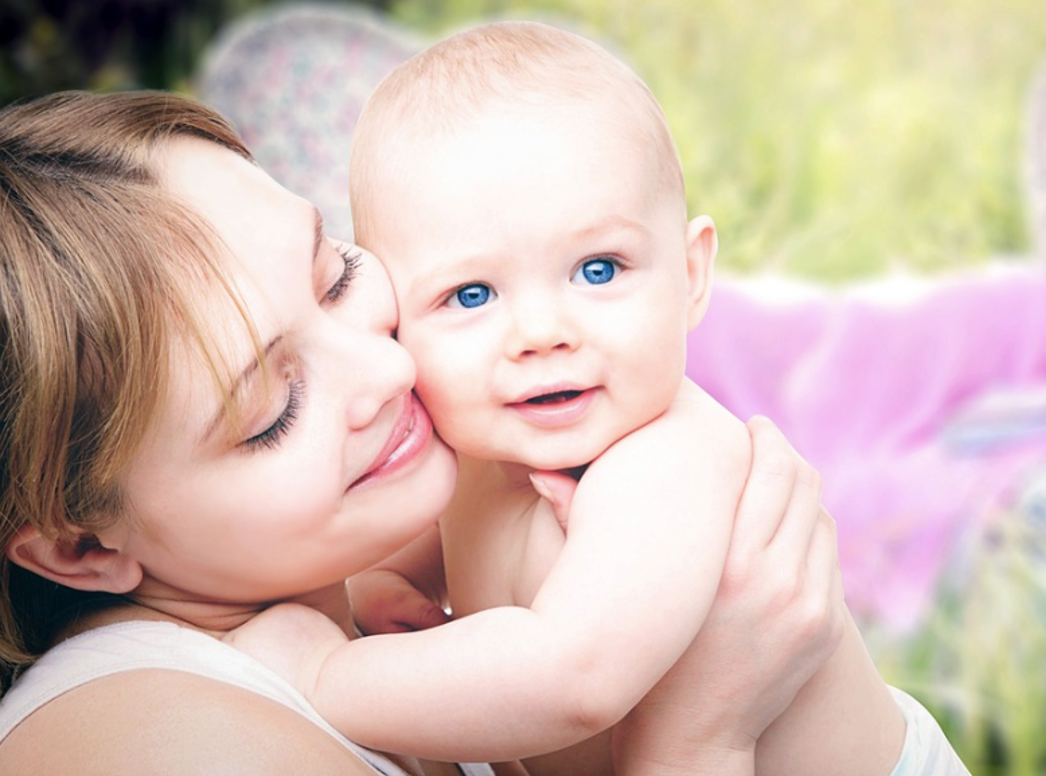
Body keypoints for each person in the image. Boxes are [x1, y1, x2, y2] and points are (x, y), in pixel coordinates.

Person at [0, 88, 849, 776]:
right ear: (80, 548)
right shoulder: (164, 745)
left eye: (335, 275)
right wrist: (697, 740)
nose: (393, 370)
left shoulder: (341, 608)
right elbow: (578, 681)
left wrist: (363, 603)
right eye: (272, 414)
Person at [245, 19, 970, 776]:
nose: (541, 332)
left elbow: (573, 679)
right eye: (470, 293)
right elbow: (438, 544)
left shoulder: (666, 464)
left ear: (689, 276)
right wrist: (385, 583)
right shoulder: (485, 452)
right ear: (398, 318)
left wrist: (321, 675)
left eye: (597, 269)